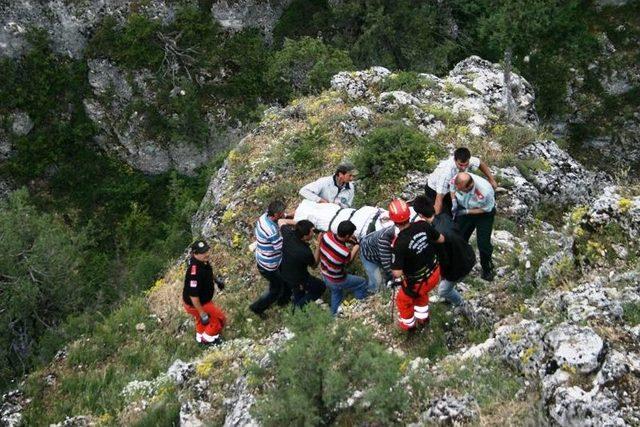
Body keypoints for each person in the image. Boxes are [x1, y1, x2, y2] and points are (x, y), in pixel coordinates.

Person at [389, 199, 444, 331]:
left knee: (403, 301)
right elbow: (441, 239)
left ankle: (409, 326)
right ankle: (423, 319)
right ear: (409, 214)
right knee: (421, 295)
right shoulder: (422, 225)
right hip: (435, 272)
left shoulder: (398, 243)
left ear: (394, 221)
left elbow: (397, 273)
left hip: (418, 282)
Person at [412, 196, 475, 308]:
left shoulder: (435, 236)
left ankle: (460, 304)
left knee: (443, 290)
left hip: (460, 266)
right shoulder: (445, 216)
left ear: (421, 215)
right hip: (468, 254)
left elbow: (444, 261)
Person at [249, 200, 296, 317]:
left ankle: (284, 300)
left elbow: (281, 218)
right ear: (275, 215)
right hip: (269, 264)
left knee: (285, 279)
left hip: (267, 258)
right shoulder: (271, 230)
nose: (283, 214)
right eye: (282, 213)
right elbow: (280, 247)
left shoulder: (265, 216)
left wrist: (288, 216)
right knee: (276, 289)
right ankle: (257, 308)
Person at [425, 147, 497, 215]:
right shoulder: (446, 173)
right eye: (461, 165)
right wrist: (437, 221)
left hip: (452, 187)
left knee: (455, 212)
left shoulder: (468, 160)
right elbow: (438, 200)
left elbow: (480, 163)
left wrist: (491, 179)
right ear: (455, 160)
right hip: (434, 190)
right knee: (443, 214)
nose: (464, 168)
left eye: (466, 165)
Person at [452, 172, 496, 281]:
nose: (460, 191)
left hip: (483, 214)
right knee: (459, 238)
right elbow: (452, 188)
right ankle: (460, 265)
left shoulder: (485, 191)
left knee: (483, 244)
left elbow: (487, 209)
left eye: (462, 190)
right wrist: (454, 201)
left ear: (469, 186)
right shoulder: (457, 179)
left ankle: (487, 269)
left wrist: (467, 212)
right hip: (464, 208)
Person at [318, 220, 368, 315]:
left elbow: (338, 242)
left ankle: (334, 314)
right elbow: (349, 262)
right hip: (336, 279)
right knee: (361, 283)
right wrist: (356, 247)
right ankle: (359, 305)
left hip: (325, 273)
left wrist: (348, 239)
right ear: (346, 236)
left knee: (336, 293)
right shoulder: (344, 252)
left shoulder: (327, 236)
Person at [183, 239, 226, 346]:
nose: (206, 254)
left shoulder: (203, 262)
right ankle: (208, 340)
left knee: (201, 320)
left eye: (207, 251)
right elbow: (193, 295)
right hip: (196, 303)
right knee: (219, 319)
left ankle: (201, 336)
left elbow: (208, 271)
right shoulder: (194, 272)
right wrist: (202, 313)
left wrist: (216, 281)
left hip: (200, 301)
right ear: (195, 254)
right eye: (203, 252)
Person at [280, 219, 326, 308]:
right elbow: (314, 265)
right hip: (299, 278)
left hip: (285, 272)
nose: (313, 233)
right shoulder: (304, 252)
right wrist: (319, 243)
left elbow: (281, 221)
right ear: (305, 236)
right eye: (312, 232)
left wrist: (299, 226)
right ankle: (298, 308)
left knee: (298, 292)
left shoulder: (289, 234)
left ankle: (297, 304)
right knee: (320, 287)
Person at [359, 225, 395, 294]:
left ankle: (386, 287)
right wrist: (395, 276)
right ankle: (372, 293)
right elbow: (386, 263)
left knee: (388, 273)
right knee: (376, 281)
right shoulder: (384, 239)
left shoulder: (399, 231)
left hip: (380, 252)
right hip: (368, 254)